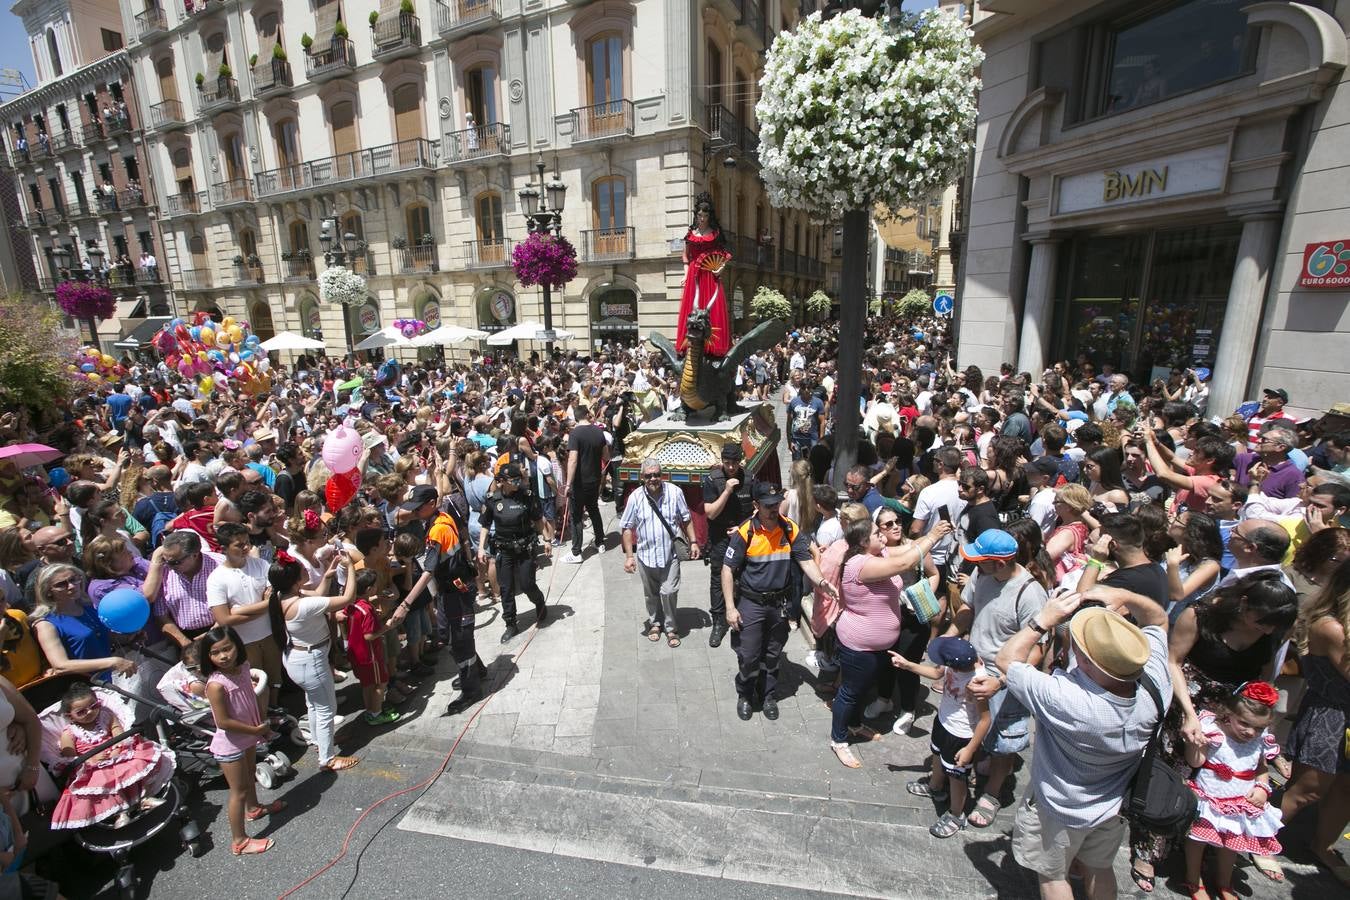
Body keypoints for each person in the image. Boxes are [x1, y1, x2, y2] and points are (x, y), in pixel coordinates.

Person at [999, 586, 1171, 900]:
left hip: (1059, 808)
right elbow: (1158, 620)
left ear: (1087, 662)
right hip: (1113, 805)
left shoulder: (1068, 700)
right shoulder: (1156, 683)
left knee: (1052, 875)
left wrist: (1042, 620)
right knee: (1099, 868)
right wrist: (1127, 596)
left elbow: (1007, 659)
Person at [830, 514, 949, 766]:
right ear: (863, 541)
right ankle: (838, 740)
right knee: (850, 692)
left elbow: (908, 550)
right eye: (876, 534)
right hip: (859, 644)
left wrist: (929, 539)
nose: (882, 535)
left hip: (878, 645)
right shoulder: (859, 564)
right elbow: (906, 562)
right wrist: (934, 535)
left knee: (863, 687)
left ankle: (853, 724)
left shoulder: (879, 555)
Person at [722, 482, 836, 721]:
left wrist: (822, 582)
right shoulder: (746, 531)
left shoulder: (789, 528)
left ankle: (768, 695)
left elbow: (805, 561)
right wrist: (730, 608)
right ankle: (745, 694)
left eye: (776, 504)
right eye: (768, 506)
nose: (774, 509)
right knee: (750, 654)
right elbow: (727, 569)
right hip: (752, 604)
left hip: (779, 605)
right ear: (756, 505)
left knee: (773, 654)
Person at [1279, 556, 1350, 886]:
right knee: (1307, 791)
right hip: (1331, 717)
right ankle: (1253, 841)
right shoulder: (1331, 627)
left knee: (1346, 791)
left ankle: (1321, 846)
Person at [1180, 681, 1284, 900]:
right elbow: (1196, 762)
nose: (1250, 731)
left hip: (1240, 802)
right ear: (1229, 713)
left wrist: (1262, 787)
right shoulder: (1214, 732)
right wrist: (1194, 744)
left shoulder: (1259, 741)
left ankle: (1224, 883)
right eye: (1244, 723)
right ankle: (1193, 879)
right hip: (1210, 798)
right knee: (1197, 841)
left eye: (1258, 728)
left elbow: (1261, 767)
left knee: (1232, 846)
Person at [266, 551, 359, 772]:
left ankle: (320, 742)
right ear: (296, 579)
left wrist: (328, 575)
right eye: (302, 570)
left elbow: (317, 593)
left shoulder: (283, 597)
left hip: (298, 659)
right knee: (327, 708)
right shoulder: (302, 605)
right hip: (311, 661)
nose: (307, 569)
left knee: (314, 705)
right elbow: (347, 599)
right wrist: (351, 568)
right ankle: (327, 759)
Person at [397, 484, 484, 715]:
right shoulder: (439, 517)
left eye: (418, 508)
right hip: (448, 592)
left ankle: (471, 689)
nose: (414, 512)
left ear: (431, 505)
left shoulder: (437, 529)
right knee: (448, 635)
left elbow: (428, 571)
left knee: (460, 641)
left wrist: (405, 605)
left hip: (457, 592)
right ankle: (478, 670)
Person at [895, 636, 990, 838]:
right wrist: (908, 665)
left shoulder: (977, 681)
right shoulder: (957, 663)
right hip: (943, 722)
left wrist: (970, 749)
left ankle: (957, 814)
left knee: (957, 777)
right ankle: (936, 787)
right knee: (937, 756)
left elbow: (985, 720)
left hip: (962, 736)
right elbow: (936, 673)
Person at [198, 625, 281, 856]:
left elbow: (249, 698)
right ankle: (240, 841)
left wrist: (259, 725)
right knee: (239, 790)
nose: (223, 656)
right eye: (215, 652)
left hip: (249, 735)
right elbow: (223, 722)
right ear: (208, 657)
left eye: (227, 648)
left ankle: (254, 809)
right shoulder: (215, 685)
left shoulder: (243, 667)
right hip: (231, 744)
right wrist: (255, 730)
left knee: (251, 772)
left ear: (237, 646)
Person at [49, 683, 174, 831]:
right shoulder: (69, 732)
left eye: (94, 706)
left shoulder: (106, 715)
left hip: (116, 753)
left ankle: (144, 797)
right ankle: (120, 812)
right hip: (92, 764)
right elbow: (69, 755)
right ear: (70, 716)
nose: (90, 712)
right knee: (103, 781)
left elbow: (117, 731)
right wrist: (90, 759)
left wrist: (118, 746)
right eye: (81, 712)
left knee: (134, 765)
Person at [621, 457, 701, 647]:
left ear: (662, 475)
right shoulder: (635, 497)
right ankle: (655, 623)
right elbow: (626, 527)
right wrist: (629, 557)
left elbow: (686, 518)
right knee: (651, 594)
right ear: (643, 477)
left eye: (657, 474)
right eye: (649, 475)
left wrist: (694, 542)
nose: (653, 479)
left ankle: (671, 628)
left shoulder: (675, 492)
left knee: (669, 590)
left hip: (669, 554)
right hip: (645, 556)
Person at [206, 523, 278, 716]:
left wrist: (239, 610)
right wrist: (265, 605)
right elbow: (224, 620)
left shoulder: (262, 565)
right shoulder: (216, 578)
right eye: (239, 545)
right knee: (254, 687)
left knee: (274, 681)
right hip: (244, 643)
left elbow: (275, 599)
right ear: (224, 548)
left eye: (247, 542)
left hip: (269, 635)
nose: (246, 548)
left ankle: (276, 716)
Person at [477, 465, 552, 642]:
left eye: (519, 479)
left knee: (527, 584)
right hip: (504, 550)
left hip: (525, 548)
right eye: (513, 480)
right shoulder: (492, 499)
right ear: (501, 481)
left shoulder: (527, 496)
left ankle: (539, 602)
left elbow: (538, 520)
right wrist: (481, 547)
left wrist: (547, 540)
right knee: (506, 588)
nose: (518, 483)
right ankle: (510, 623)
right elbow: (485, 525)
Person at [704, 443, 755, 649]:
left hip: (743, 535)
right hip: (720, 537)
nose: (731, 467)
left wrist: (742, 529)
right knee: (718, 578)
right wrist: (726, 491)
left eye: (734, 463)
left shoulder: (750, 478)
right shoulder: (713, 480)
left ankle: (741, 614)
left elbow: (756, 511)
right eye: (727, 463)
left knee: (744, 575)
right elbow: (710, 513)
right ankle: (718, 621)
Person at [677, 193, 732, 359]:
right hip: (694, 274)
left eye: (705, 216)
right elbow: (686, 257)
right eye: (700, 215)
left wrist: (720, 269)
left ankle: (713, 346)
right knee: (691, 308)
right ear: (696, 215)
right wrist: (686, 275)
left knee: (711, 307)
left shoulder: (715, 233)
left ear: (710, 216)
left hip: (710, 274)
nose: (702, 219)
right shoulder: (690, 233)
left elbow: (725, 254)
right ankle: (688, 344)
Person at [345, 569, 400, 726]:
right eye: (375, 586)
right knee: (380, 683)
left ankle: (370, 710)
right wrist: (387, 626)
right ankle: (376, 714)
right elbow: (368, 635)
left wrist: (376, 597)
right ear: (369, 589)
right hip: (370, 655)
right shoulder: (367, 610)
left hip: (356, 653)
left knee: (367, 684)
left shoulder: (352, 604)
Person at [562, 405, 607, 563]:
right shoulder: (598, 431)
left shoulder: (575, 434)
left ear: (576, 417)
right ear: (587, 414)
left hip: (580, 482)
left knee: (576, 516)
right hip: (594, 479)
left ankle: (576, 552)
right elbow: (606, 455)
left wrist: (568, 484)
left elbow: (573, 459)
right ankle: (600, 542)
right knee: (594, 509)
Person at [787, 383, 825, 459]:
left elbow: (822, 422)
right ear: (801, 389)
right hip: (797, 438)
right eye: (804, 388)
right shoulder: (794, 401)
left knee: (813, 462)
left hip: (813, 438)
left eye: (808, 388)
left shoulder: (818, 402)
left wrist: (821, 440)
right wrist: (789, 441)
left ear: (812, 389)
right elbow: (789, 422)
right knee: (797, 463)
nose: (806, 390)